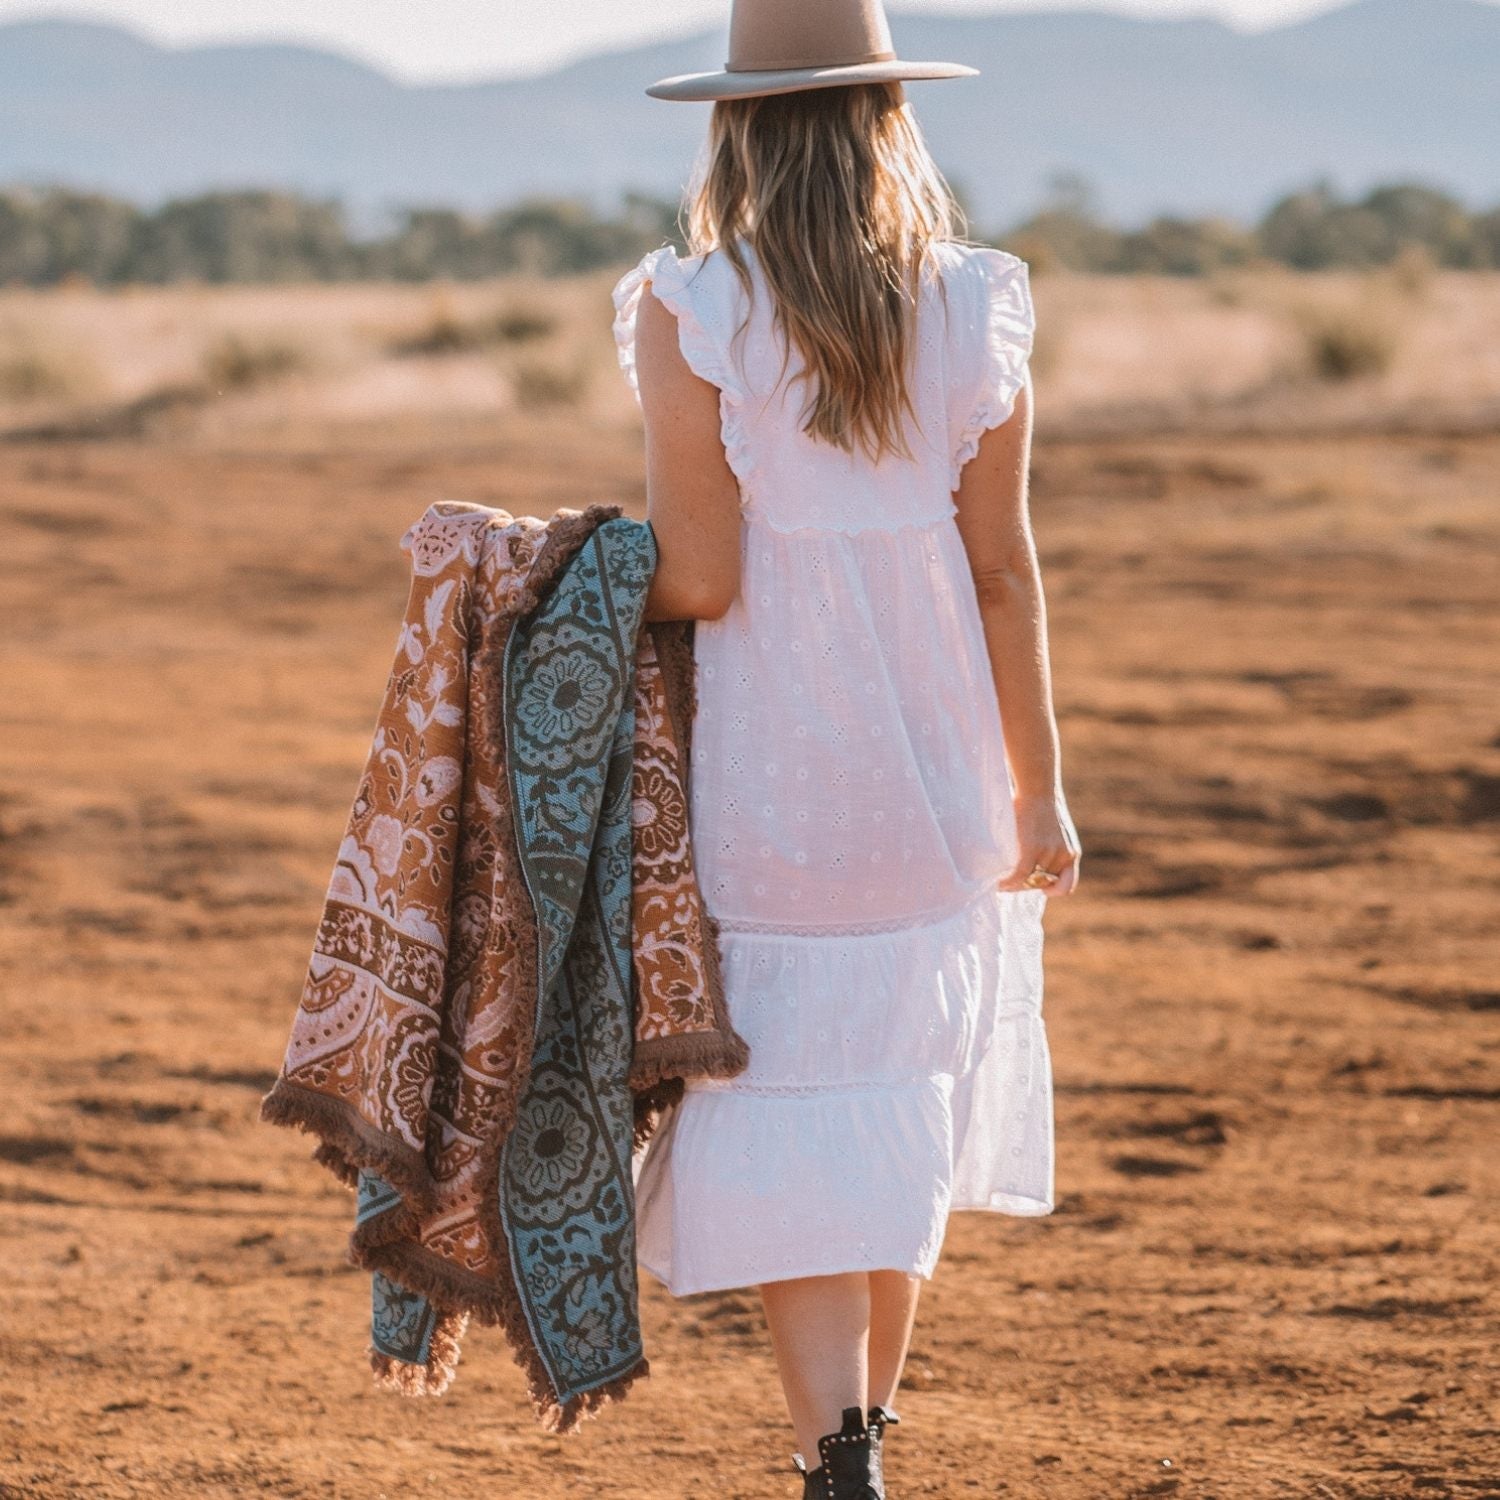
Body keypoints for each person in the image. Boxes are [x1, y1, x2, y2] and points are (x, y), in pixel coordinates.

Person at [609, 2, 1081, 1493]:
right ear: (889, 119)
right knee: (893, 1113)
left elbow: (703, 577)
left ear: (736, 126)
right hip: (940, 780)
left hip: (774, 778)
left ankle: (836, 1455)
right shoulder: (976, 301)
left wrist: (558, 573)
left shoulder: (693, 305)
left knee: (793, 1119)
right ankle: (861, 1442)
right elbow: (1004, 569)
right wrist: (1040, 791)